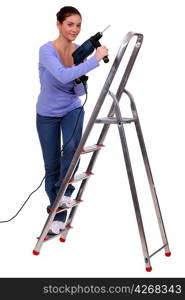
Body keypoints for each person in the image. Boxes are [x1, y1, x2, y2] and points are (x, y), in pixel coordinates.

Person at [36, 6, 108, 234]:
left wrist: (81, 75)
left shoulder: (79, 51)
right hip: (46, 114)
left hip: (72, 110)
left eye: (78, 25)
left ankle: (63, 196)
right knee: (52, 166)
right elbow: (61, 74)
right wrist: (93, 61)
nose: (75, 29)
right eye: (70, 24)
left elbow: (77, 91)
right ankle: (58, 217)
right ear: (58, 24)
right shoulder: (46, 51)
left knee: (72, 149)